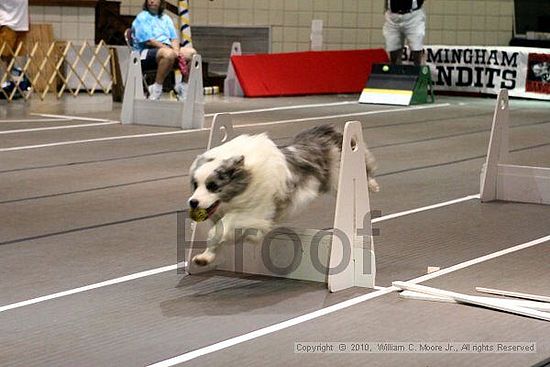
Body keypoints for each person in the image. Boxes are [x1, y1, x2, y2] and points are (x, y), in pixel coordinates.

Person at [131, 0, 196, 100]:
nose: (151, 1)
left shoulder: (166, 18)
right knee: (168, 54)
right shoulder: (142, 17)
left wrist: (177, 51)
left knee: (192, 54)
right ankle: (156, 88)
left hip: (166, 50)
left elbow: (174, 39)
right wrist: (171, 51)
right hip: (144, 52)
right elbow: (149, 41)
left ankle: (183, 86)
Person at [383, 0, 426, 66]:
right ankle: (396, 72)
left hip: (413, 16)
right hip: (392, 16)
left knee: (416, 47)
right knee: (393, 48)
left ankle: (419, 71)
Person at [0, 0, 29, 97]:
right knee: (3, 56)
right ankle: (2, 84)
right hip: (6, 23)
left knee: (14, 57)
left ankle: (10, 83)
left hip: (22, 25)